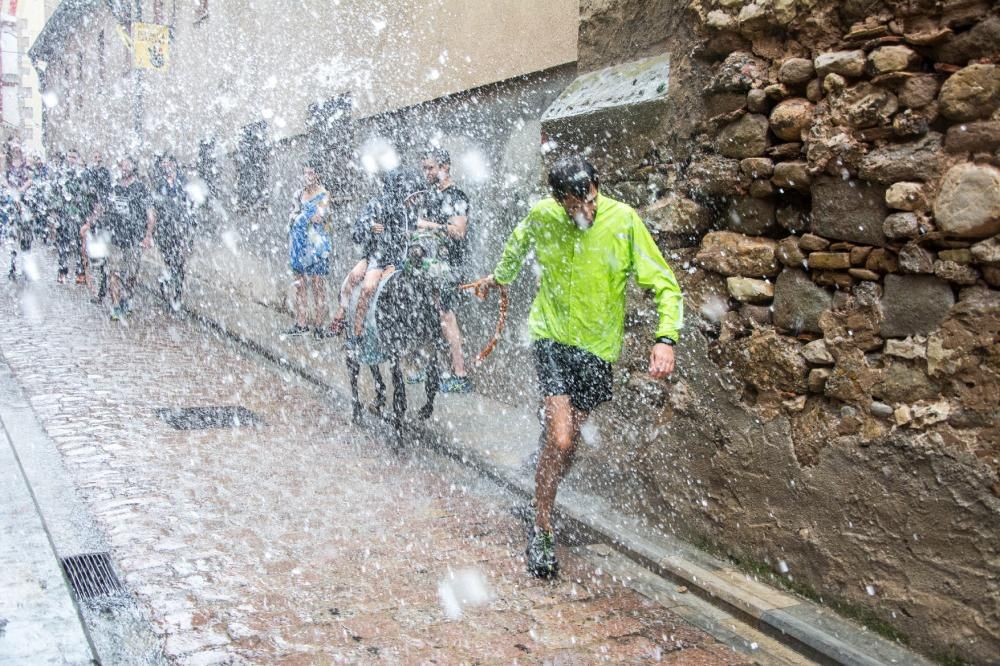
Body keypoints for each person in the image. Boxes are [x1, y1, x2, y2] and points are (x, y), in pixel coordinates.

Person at [467, 156, 683, 579]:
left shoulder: (624, 222)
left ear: (596, 187)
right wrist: (496, 279)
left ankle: (542, 495)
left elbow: (666, 285)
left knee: (566, 446)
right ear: (559, 201)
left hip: (597, 352)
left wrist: (665, 339)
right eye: (572, 205)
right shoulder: (543, 215)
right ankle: (542, 525)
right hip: (550, 338)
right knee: (562, 437)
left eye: (587, 200)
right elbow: (516, 247)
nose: (583, 211)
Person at [418, 148, 472, 393]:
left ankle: (460, 374)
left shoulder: (456, 195)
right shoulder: (430, 195)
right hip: (429, 265)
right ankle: (432, 369)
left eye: (430, 168)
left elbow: (459, 231)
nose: (426, 172)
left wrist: (427, 225)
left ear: (445, 168)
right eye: (424, 168)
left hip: (450, 266)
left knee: (446, 315)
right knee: (429, 315)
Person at [285, 165, 332, 336]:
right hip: (299, 242)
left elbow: (320, 216)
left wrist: (303, 217)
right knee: (300, 285)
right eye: (305, 172)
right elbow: (292, 216)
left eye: (311, 173)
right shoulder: (298, 195)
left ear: (317, 174)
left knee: (317, 285)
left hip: (317, 244)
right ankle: (301, 324)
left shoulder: (324, 194)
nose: (308, 176)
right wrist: (303, 217)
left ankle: (319, 327)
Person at [105, 157, 153, 320]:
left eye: (127, 164)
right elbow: (105, 209)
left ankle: (126, 299)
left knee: (131, 274)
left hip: (134, 238)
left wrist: (147, 236)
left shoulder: (140, 188)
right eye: (122, 165)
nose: (124, 168)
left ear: (134, 167)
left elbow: (150, 214)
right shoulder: (114, 187)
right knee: (114, 273)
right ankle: (116, 306)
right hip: (115, 238)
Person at [148, 154, 195, 308]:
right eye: (164, 164)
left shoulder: (183, 182)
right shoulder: (160, 183)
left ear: (174, 164)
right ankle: (167, 280)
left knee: (179, 260)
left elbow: (190, 204)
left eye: (169, 163)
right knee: (169, 259)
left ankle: (177, 293)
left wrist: (189, 227)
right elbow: (155, 205)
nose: (166, 167)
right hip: (164, 228)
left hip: (180, 227)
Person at [54, 149, 89, 283]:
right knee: (63, 245)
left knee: (79, 245)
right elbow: (56, 193)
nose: (71, 159)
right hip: (64, 214)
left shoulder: (82, 175)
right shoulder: (61, 174)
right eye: (70, 156)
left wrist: (85, 215)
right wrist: (56, 211)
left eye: (74, 157)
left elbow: (85, 196)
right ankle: (62, 271)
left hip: (78, 215)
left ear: (78, 159)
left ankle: (80, 272)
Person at [79, 151, 112, 294]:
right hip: (91, 220)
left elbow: (103, 201)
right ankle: (96, 285)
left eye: (100, 157)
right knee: (91, 254)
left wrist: (92, 220)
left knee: (102, 257)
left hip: (101, 222)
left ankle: (101, 289)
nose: (97, 159)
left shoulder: (105, 175)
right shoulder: (88, 174)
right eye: (95, 156)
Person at [5, 143, 32, 280]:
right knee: (12, 237)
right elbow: (3, 179)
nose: (16, 152)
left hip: (24, 203)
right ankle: (13, 266)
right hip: (12, 205)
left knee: (26, 239)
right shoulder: (8, 167)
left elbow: (30, 180)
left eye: (17, 150)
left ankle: (26, 268)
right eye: (14, 150)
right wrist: (10, 189)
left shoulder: (24, 167)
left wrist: (21, 190)